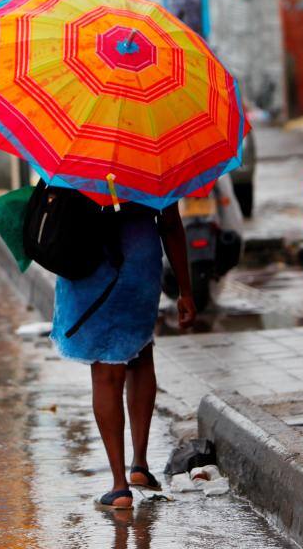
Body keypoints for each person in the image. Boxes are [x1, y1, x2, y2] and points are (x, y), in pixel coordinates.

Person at [51, 202, 195, 512]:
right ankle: (140, 465)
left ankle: (119, 486)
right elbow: (170, 222)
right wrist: (185, 290)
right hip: (139, 258)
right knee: (140, 352)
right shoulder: (151, 168)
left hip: (89, 259)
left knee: (106, 371)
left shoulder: (82, 169)